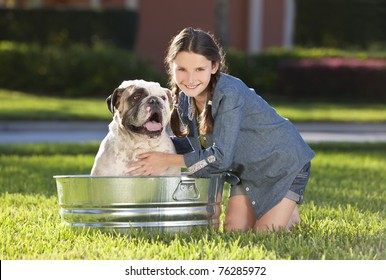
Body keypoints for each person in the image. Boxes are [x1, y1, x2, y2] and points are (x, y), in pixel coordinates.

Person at [128, 27, 315, 233]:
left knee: (264, 236)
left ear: (214, 66)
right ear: (171, 67)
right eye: (182, 69)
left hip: (283, 164)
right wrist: (157, 148)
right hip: (247, 172)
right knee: (234, 231)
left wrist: (165, 160)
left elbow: (220, 157)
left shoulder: (229, 93)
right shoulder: (183, 99)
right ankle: (281, 210)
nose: (190, 79)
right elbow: (201, 154)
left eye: (199, 69)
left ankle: (286, 207)